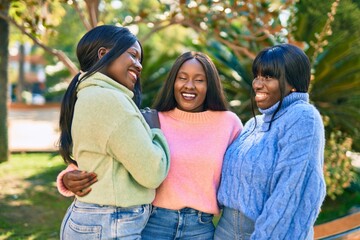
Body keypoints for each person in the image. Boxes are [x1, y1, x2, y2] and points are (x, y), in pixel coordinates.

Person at [57, 51, 243, 239]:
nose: (189, 86)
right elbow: (110, 156)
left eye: (199, 80)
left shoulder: (228, 124)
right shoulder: (152, 121)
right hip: (152, 224)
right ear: (173, 82)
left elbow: (244, 173)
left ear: (210, 84)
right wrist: (67, 177)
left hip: (199, 228)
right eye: (182, 78)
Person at [58, 25, 170, 240]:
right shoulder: (111, 100)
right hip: (110, 222)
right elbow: (153, 173)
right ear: (104, 53)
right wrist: (155, 130)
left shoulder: (88, 94)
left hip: (93, 219)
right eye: (133, 55)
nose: (139, 66)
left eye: (140, 60)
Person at [215, 44, 326, 239]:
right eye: (257, 76)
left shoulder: (303, 117)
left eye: (268, 77)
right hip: (226, 229)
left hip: (263, 233)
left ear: (293, 83)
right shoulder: (253, 124)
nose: (257, 84)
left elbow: (290, 192)